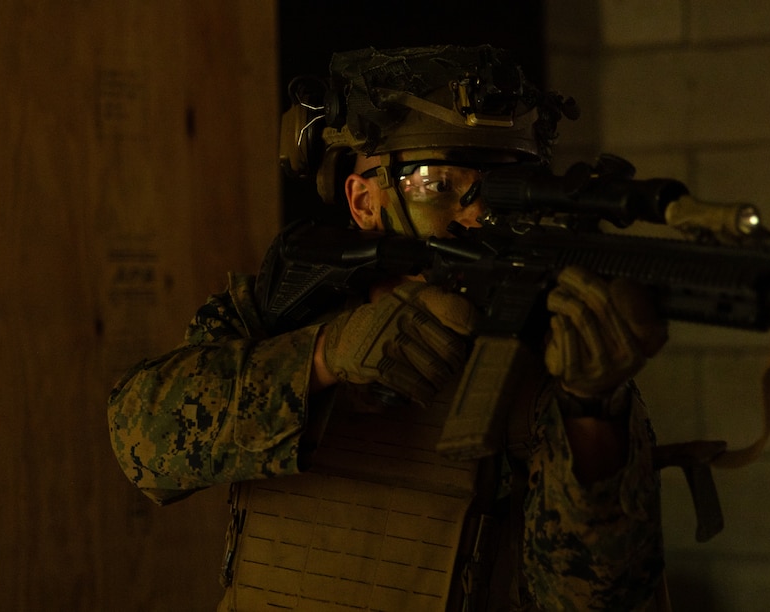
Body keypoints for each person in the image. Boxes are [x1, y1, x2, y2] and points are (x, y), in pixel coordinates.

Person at [108, 45, 671, 611]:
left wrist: (591, 413)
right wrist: (325, 357)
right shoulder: (288, 311)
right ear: (363, 201)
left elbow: (600, 598)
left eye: (506, 187)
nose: (477, 215)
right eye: (439, 183)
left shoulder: (555, 353)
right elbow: (142, 446)